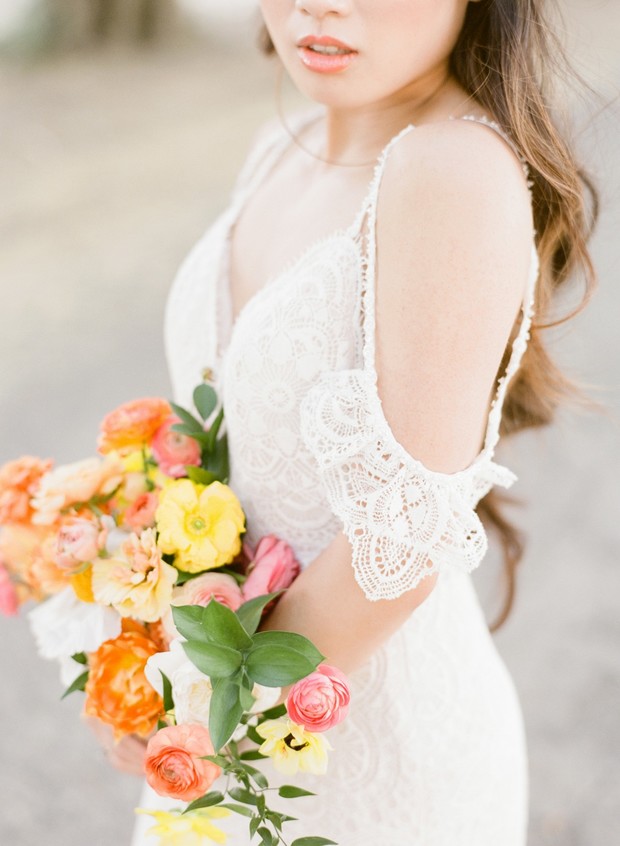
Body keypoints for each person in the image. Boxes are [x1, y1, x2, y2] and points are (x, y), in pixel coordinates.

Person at [91, 1, 598, 843]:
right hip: (230, 728)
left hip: (371, 764)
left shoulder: (453, 171)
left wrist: (197, 711)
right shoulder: (276, 146)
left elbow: (397, 548)